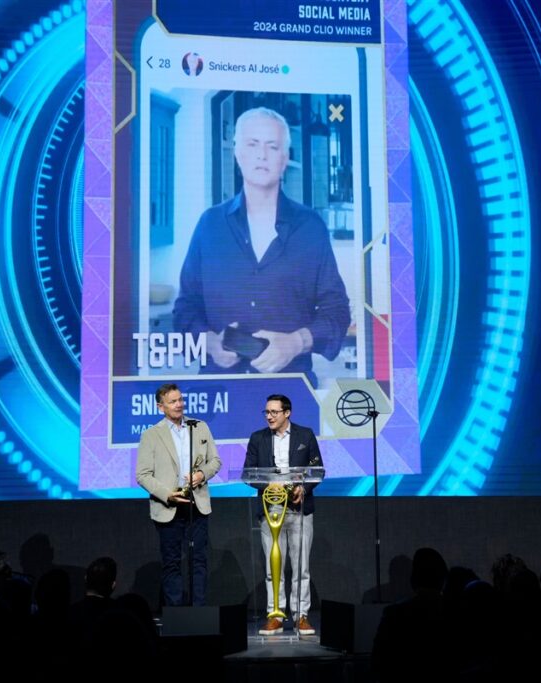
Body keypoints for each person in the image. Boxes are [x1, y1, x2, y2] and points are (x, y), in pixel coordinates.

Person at [173, 107, 350, 387]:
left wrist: (295, 343)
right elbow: (185, 309)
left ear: (285, 158)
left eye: (272, 146)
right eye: (253, 144)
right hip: (220, 391)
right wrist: (210, 343)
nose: (262, 155)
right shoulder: (209, 225)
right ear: (238, 153)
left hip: (291, 392)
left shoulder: (311, 228)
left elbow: (337, 312)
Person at [243, 394, 323, 635]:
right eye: (267, 412)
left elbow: (317, 470)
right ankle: (275, 615)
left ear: (287, 413)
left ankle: (301, 616)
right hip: (271, 508)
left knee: (301, 566)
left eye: (274, 412)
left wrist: (303, 488)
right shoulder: (257, 438)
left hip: (299, 508)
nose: (269, 416)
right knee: (273, 567)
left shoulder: (305, 435)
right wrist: (269, 485)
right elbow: (248, 473)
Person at [136, 383, 222, 606]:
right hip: (169, 507)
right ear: (160, 407)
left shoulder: (199, 427)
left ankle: (199, 613)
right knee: (172, 563)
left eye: (180, 400)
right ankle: (176, 615)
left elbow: (215, 461)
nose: (179, 405)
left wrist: (202, 474)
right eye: (173, 401)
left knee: (199, 561)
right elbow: (142, 475)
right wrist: (167, 494)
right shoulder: (151, 435)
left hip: (197, 504)